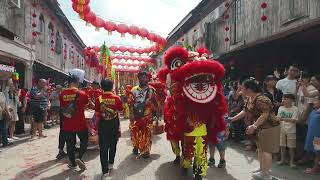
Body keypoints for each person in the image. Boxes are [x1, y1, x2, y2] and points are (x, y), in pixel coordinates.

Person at [231, 78, 280, 180]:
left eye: (242, 88)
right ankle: (262, 169)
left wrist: (254, 126)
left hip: (270, 127)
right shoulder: (250, 98)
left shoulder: (262, 99)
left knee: (266, 150)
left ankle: (266, 174)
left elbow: (265, 113)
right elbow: (245, 111)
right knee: (260, 149)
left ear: (249, 89)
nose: (241, 91)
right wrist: (232, 119)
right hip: (260, 127)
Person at [59, 75, 89, 170]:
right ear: (77, 82)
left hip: (67, 123)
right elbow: (86, 105)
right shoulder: (82, 93)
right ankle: (79, 157)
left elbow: (62, 106)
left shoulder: (62, 94)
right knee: (84, 140)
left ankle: (72, 163)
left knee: (70, 145)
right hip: (80, 122)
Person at [95, 79, 123, 177]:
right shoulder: (117, 98)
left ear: (102, 87)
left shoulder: (99, 99)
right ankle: (111, 162)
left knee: (103, 147)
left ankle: (105, 171)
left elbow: (97, 112)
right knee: (113, 144)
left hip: (103, 125)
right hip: (114, 124)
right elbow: (120, 110)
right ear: (112, 87)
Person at [128, 71, 159, 158]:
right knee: (135, 132)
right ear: (138, 79)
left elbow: (155, 102)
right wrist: (131, 115)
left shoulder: (151, 90)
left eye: (144, 77)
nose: (142, 79)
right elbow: (130, 103)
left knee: (147, 133)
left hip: (147, 116)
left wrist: (157, 113)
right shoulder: (134, 90)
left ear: (147, 79)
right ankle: (136, 146)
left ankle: (146, 150)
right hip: (136, 116)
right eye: (140, 77)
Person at [277, 94, 299, 168]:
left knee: (291, 147)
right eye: (283, 99)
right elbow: (278, 118)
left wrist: (282, 119)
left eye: (285, 99)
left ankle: (291, 162)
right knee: (282, 145)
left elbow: (293, 120)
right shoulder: (280, 108)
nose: (283, 100)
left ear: (291, 100)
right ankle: (282, 160)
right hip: (282, 129)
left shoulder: (295, 108)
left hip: (291, 130)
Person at [304, 96, 320, 175]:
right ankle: (316, 167)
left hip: (318, 138)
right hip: (312, 136)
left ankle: (315, 169)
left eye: (316, 101)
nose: (314, 102)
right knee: (316, 153)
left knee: (318, 153)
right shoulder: (314, 110)